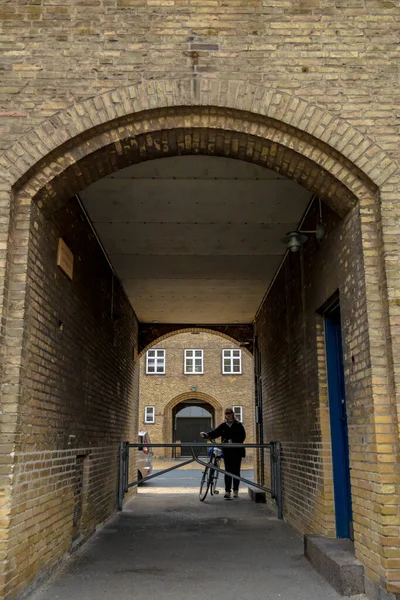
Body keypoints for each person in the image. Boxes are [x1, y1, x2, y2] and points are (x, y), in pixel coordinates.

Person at [200, 408, 246, 499]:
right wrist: (206, 434)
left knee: (236, 471)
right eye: (226, 413)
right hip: (227, 451)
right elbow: (215, 433)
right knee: (227, 471)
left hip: (237, 451)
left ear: (233, 414)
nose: (228, 415)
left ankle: (236, 490)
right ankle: (227, 491)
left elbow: (242, 436)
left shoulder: (238, 425)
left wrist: (233, 441)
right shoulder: (223, 426)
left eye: (229, 413)